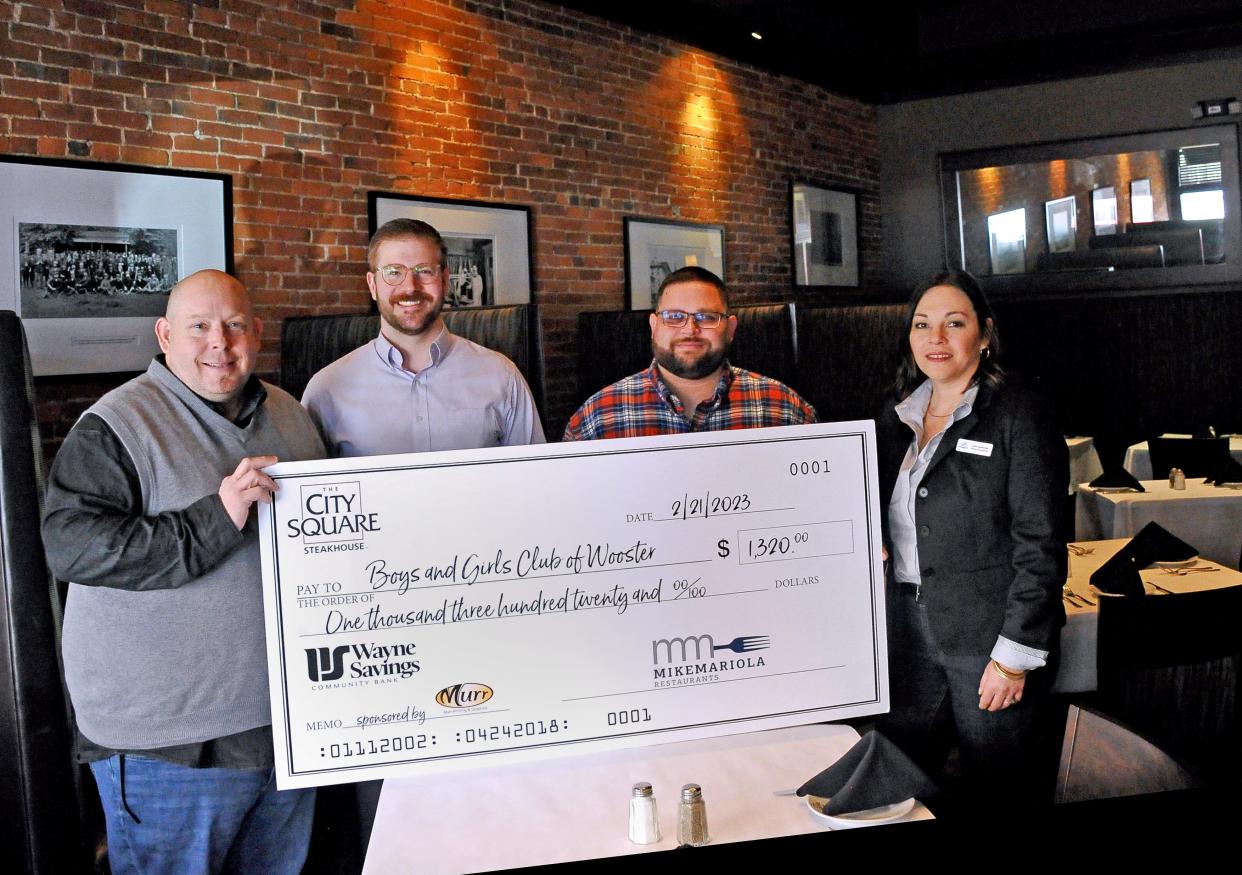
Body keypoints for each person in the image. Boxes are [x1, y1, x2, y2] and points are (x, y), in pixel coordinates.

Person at [41, 270, 326, 874]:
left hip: (288, 728)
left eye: (234, 326)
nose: (218, 343)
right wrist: (218, 518)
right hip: (167, 746)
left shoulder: (294, 416)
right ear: (165, 335)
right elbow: (72, 547)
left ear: (256, 333)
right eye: (199, 327)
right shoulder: (117, 424)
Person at [876, 270, 1066, 805]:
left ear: (984, 335)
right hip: (907, 631)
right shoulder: (894, 418)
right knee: (903, 784)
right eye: (922, 324)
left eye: (953, 323)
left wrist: (1015, 657)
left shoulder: (1017, 415)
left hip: (989, 641)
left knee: (999, 788)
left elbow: (1042, 543)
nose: (935, 338)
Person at [302, 218, 544, 456]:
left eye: (424, 271)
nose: (410, 287)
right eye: (393, 272)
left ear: (445, 280)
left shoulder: (502, 376)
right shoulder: (326, 389)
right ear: (373, 285)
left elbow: (536, 479)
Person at [563, 266, 815, 440]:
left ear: (730, 328)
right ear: (653, 327)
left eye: (706, 317)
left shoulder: (786, 410)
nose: (690, 329)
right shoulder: (595, 419)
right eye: (674, 317)